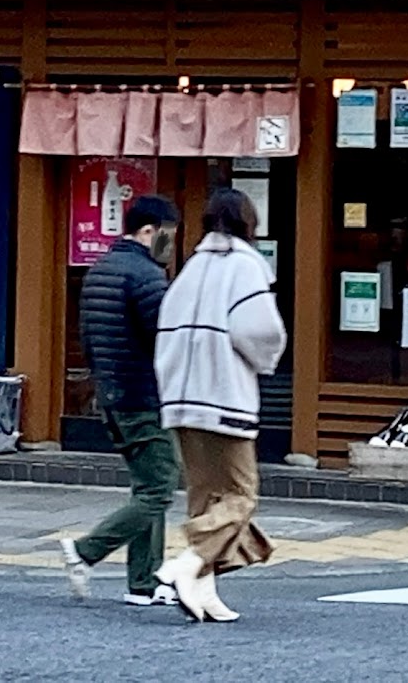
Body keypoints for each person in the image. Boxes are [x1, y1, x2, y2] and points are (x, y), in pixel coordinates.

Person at [153, 187, 286, 623]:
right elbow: (261, 333)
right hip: (224, 396)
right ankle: (188, 562)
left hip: (181, 398)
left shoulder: (190, 267)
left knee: (205, 496)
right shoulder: (247, 266)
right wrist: (266, 362)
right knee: (240, 497)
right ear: (250, 222)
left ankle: (202, 591)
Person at [59, 194, 182, 608]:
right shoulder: (147, 276)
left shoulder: (101, 269)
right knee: (161, 487)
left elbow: (89, 336)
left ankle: (144, 583)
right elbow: (166, 339)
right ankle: (87, 551)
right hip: (142, 393)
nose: (171, 246)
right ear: (150, 231)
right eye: (169, 236)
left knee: (146, 484)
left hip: (111, 391)